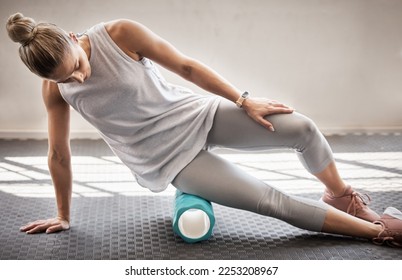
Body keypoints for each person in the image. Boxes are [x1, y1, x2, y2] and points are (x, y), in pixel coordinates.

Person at [6, 12, 401, 248]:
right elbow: (58, 153)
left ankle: (340, 196)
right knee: (273, 202)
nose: (79, 76)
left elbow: (187, 68)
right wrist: (62, 214)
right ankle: (377, 232)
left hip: (195, 113)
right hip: (168, 158)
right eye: (67, 79)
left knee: (303, 129)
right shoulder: (56, 90)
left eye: (76, 64)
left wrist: (244, 100)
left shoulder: (119, 34)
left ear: (74, 39)